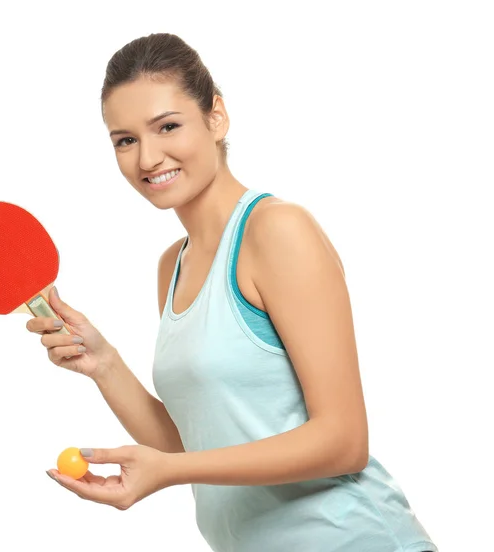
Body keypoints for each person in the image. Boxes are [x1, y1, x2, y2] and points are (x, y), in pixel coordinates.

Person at [28, 33, 438, 552]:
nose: (148, 158)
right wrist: (103, 363)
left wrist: (173, 473)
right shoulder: (171, 267)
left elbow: (344, 441)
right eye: (125, 140)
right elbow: (195, 447)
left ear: (216, 117)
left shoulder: (277, 231)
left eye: (167, 127)